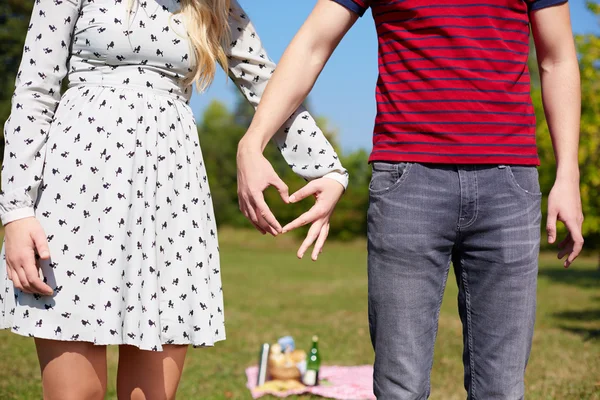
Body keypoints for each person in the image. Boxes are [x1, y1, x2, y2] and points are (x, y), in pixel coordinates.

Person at [0, 0, 348, 398]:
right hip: (76, 193)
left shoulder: (213, 5)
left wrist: (325, 167)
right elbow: (34, 93)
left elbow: (265, 82)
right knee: (76, 393)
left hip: (170, 199)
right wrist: (17, 209)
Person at [236, 0, 584, 398]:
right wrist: (254, 139)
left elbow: (557, 59)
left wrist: (568, 175)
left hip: (509, 187)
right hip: (408, 185)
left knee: (502, 389)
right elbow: (313, 43)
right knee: (400, 387)